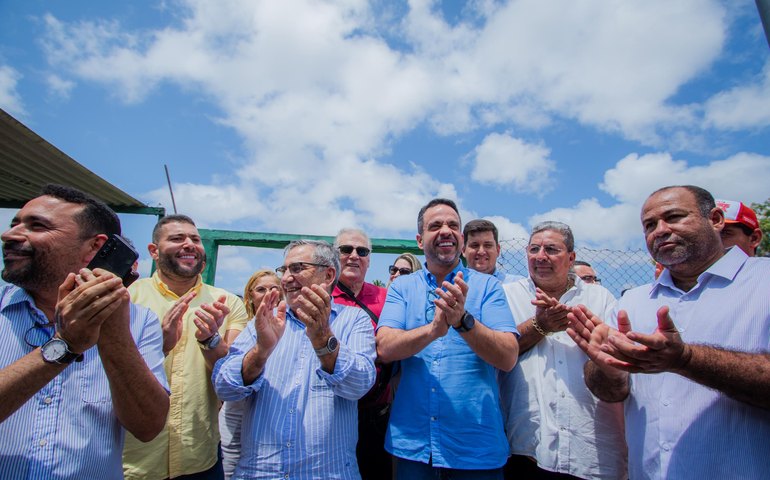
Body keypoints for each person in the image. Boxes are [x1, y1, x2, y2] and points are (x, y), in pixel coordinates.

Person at [568, 185, 770, 480]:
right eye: (650, 225)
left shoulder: (763, 282)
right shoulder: (632, 302)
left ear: (715, 219)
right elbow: (609, 392)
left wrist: (686, 360)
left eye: (674, 217)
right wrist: (607, 369)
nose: (660, 230)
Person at [0, 184, 169, 479]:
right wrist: (64, 346)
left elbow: (148, 427)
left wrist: (114, 332)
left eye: (37, 226)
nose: (9, 235)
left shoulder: (139, 322)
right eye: (15, 224)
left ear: (94, 247)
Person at [376, 198, 519, 479]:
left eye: (453, 225)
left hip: (475, 449)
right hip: (413, 446)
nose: (445, 230)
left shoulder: (489, 287)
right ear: (420, 240)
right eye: (435, 226)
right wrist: (432, 331)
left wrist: (463, 322)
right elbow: (384, 348)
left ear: (461, 240)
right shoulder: (402, 287)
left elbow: (508, 357)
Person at [213, 240, 376, 478]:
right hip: (261, 473)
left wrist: (323, 339)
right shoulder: (264, 322)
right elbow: (224, 387)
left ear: (329, 275)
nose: (287, 278)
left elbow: (359, 385)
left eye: (297, 268)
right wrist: (260, 351)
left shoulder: (354, 320)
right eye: (284, 269)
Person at [123, 214, 249, 480]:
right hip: (134, 461)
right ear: (153, 251)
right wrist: (160, 347)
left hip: (200, 458)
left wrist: (211, 340)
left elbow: (231, 377)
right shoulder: (128, 298)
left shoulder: (226, 303)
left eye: (195, 239)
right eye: (177, 238)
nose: (189, 244)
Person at [499, 221, 626, 480]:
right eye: (534, 249)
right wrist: (540, 326)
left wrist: (598, 343)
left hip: (589, 449)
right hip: (526, 446)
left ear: (571, 257)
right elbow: (498, 352)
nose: (541, 256)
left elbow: (615, 358)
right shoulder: (506, 296)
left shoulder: (600, 298)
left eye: (551, 249)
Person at [331, 228, 392, 480]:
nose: (354, 255)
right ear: (334, 255)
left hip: (377, 412)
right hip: (333, 410)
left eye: (362, 251)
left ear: (369, 260)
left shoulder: (386, 297)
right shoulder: (322, 296)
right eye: (346, 249)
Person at [218, 269, 281, 480]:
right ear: (250, 296)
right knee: (229, 468)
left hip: (266, 416)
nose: (269, 294)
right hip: (235, 412)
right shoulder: (241, 328)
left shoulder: (287, 328)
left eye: (274, 288)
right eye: (261, 289)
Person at [462, 219, 519, 283]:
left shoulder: (517, 284)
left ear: (498, 250)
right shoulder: (453, 284)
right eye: (475, 245)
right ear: (463, 250)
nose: (481, 252)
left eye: (487, 245)